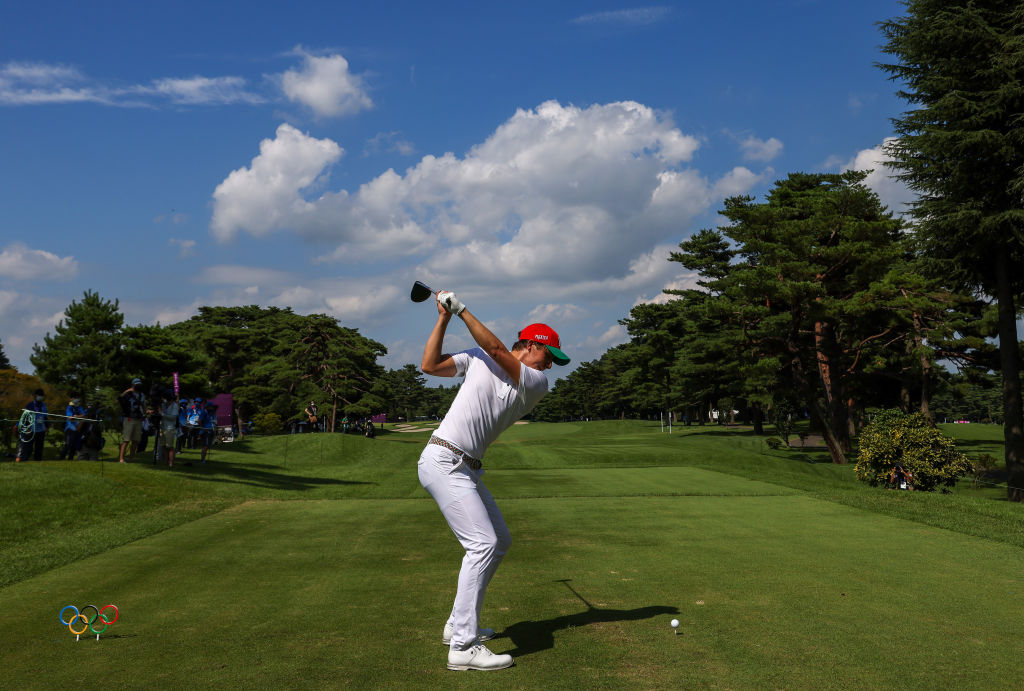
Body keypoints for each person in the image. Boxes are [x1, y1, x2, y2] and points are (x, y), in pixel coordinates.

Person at [418, 289, 569, 672]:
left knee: (498, 541)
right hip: (444, 459)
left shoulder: (535, 382)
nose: (550, 366)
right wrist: (445, 317)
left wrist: (463, 309)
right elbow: (429, 366)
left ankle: (457, 626)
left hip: (467, 467)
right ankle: (463, 647)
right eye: (549, 356)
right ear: (533, 346)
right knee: (482, 544)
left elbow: (499, 351)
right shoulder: (477, 359)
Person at [15, 388, 49, 462]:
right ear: (35, 396)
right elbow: (25, 417)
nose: (40, 397)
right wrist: (27, 427)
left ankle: (37, 461)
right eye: (39, 395)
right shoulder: (30, 405)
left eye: (42, 395)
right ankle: (23, 460)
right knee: (28, 448)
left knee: (39, 447)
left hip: (41, 430)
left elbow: (46, 416)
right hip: (31, 430)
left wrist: (47, 426)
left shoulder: (44, 406)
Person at [118, 378, 146, 463]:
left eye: (139, 384)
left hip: (138, 419)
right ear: (132, 385)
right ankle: (121, 459)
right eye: (136, 384)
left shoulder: (142, 395)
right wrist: (126, 391)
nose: (138, 386)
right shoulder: (128, 394)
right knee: (126, 439)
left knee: (135, 440)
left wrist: (146, 412)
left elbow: (144, 406)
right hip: (129, 418)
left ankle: (131, 458)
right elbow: (117, 401)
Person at [58, 393, 86, 460]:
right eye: (75, 398)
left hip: (77, 428)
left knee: (74, 445)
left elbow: (84, 415)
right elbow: (69, 418)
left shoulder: (79, 407)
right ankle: (61, 458)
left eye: (77, 398)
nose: (77, 399)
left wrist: (77, 416)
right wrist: (75, 417)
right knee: (68, 444)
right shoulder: (69, 407)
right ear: (71, 399)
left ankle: (70, 459)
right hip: (70, 428)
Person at [158, 390, 178, 468]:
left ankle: (171, 463)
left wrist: (162, 414)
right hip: (162, 427)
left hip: (170, 428)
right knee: (163, 446)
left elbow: (173, 418)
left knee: (170, 446)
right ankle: (165, 462)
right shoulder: (163, 405)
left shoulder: (174, 406)